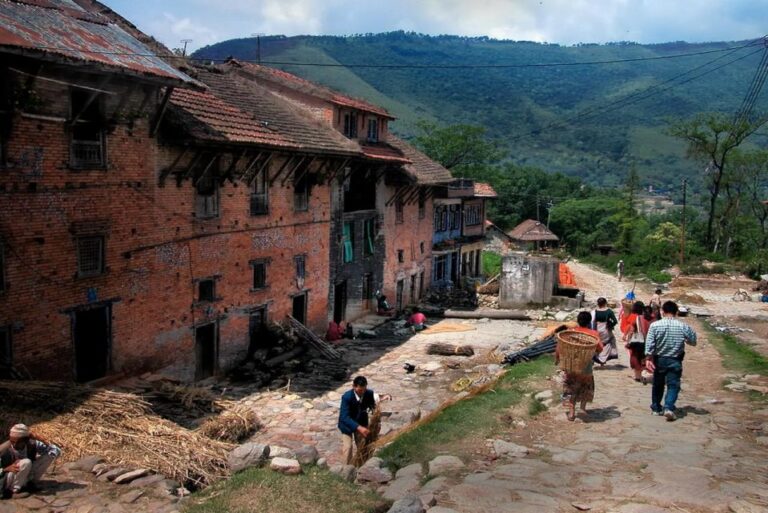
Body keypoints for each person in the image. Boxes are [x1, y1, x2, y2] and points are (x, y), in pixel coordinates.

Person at [645, 301, 697, 421]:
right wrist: (686, 341)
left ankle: (656, 408)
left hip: (659, 359)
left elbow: (650, 343)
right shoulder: (683, 326)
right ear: (676, 312)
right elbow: (693, 340)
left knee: (658, 384)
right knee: (673, 385)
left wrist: (648, 358)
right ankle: (668, 407)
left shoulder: (655, 325)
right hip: (675, 359)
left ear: (662, 311)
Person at [556, 311, 604, 421]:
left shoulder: (570, 333)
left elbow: (560, 347)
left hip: (571, 365)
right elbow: (600, 348)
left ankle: (572, 413)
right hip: (586, 367)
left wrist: (557, 359)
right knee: (586, 386)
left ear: (578, 321)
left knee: (570, 388)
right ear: (589, 322)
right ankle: (582, 409)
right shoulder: (593, 334)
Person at [337, 376, 391, 465]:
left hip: (361, 422)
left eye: (364, 389)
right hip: (347, 425)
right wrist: (358, 427)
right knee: (348, 448)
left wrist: (376, 419)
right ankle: (345, 470)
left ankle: (362, 466)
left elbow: (373, 405)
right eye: (360, 390)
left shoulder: (368, 393)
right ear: (354, 387)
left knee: (363, 447)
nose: (362, 392)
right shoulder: (346, 397)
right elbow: (344, 417)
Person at [0, 424, 61, 498]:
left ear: (26, 440)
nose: (15, 445)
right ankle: (14, 490)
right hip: (8, 478)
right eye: (12, 441)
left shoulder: (32, 443)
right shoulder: (3, 449)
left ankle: (29, 484)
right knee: (26, 462)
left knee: (50, 455)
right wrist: (5, 469)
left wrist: (42, 440)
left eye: (18, 442)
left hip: (26, 475)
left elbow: (56, 450)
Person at [622, 301, 650, 382]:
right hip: (646, 340)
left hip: (637, 341)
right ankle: (640, 375)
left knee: (635, 357)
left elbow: (631, 329)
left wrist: (626, 338)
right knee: (642, 357)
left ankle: (637, 376)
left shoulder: (635, 317)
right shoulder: (646, 317)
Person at [592, 297, 619, 365]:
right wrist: (610, 325)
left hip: (597, 329)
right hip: (606, 330)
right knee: (608, 342)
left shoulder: (595, 312)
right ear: (605, 303)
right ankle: (603, 359)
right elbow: (615, 321)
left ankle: (597, 357)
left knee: (599, 343)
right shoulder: (609, 311)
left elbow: (592, 321)